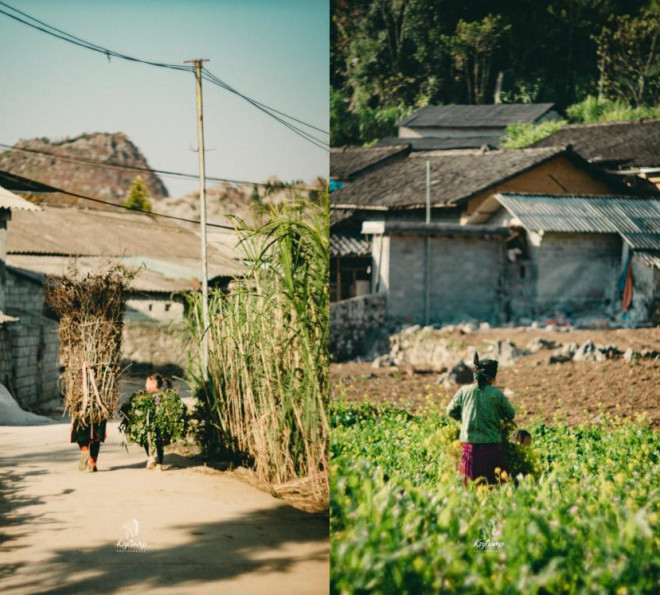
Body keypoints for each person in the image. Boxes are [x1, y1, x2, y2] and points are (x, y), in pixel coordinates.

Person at [446, 353, 515, 485]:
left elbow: (450, 411)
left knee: (471, 490)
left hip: (470, 451)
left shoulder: (463, 391)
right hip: (493, 449)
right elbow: (510, 414)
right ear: (491, 378)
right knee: (495, 488)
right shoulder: (496, 394)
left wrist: (464, 419)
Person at [143, 373, 172, 470]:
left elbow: (159, 407)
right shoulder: (145, 395)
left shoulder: (159, 395)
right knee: (146, 439)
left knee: (159, 441)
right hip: (148, 422)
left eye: (147, 383)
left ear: (154, 383)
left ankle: (159, 462)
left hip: (158, 422)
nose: (146, 385)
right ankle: (151, 458)